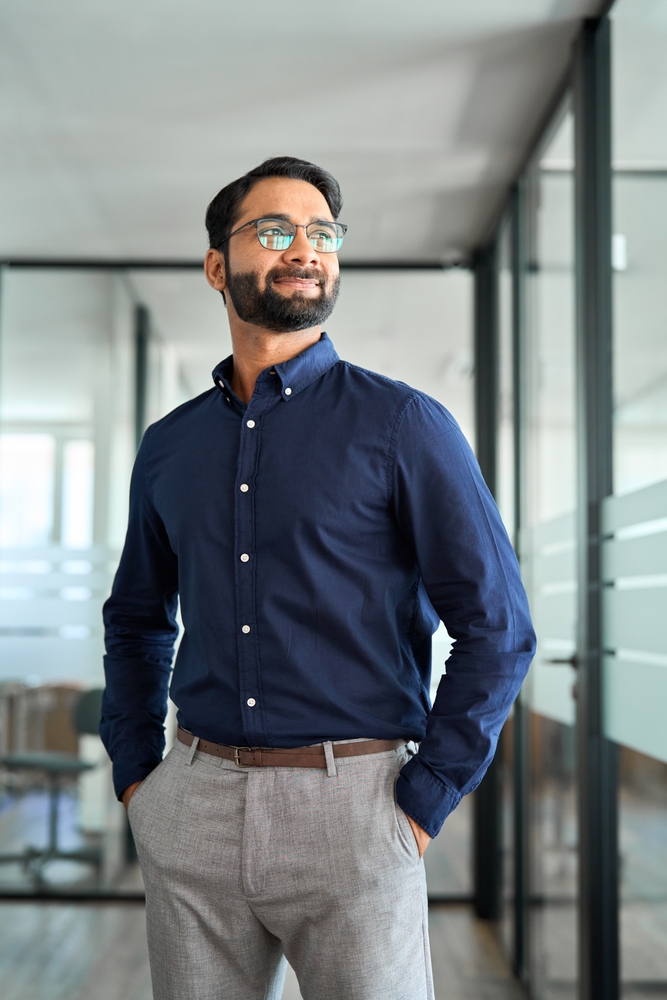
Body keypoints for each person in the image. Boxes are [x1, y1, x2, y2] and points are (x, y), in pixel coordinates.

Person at [101, 155, 535, 1000]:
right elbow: (139, 618)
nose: (305, 249)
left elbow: (496, 626)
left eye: (323, 233)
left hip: (358, 809)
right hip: (192, 799)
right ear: (217, 266)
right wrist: (135, 773)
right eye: (275, 231)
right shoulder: (169, 445)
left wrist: (424, 799)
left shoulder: (403, 424)